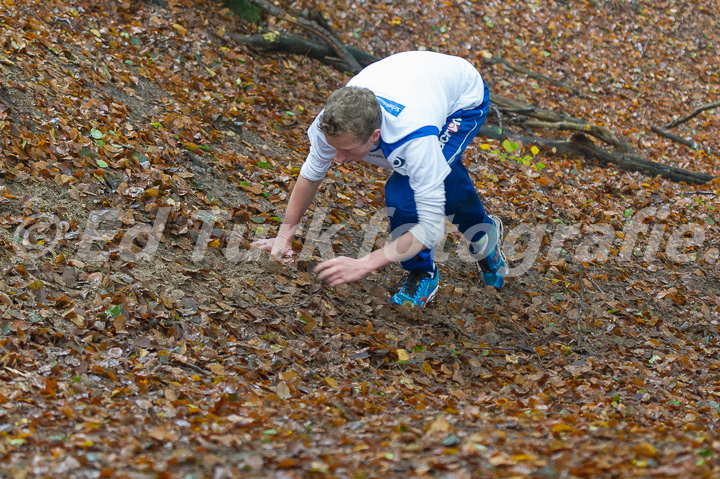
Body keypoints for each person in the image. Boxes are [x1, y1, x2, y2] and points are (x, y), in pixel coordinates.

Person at [256, 50, 506, 307]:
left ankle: (426, 271)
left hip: (462, 100)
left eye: (347, 150)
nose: (338, 159)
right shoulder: (331, 123)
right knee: (439, 173)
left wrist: (365, 264)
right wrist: (284, 236)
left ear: (375, 136)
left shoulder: (414, 138)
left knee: (403, 197)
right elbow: (310, 175)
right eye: (334, 148)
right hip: (414, 81)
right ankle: (481, 233)